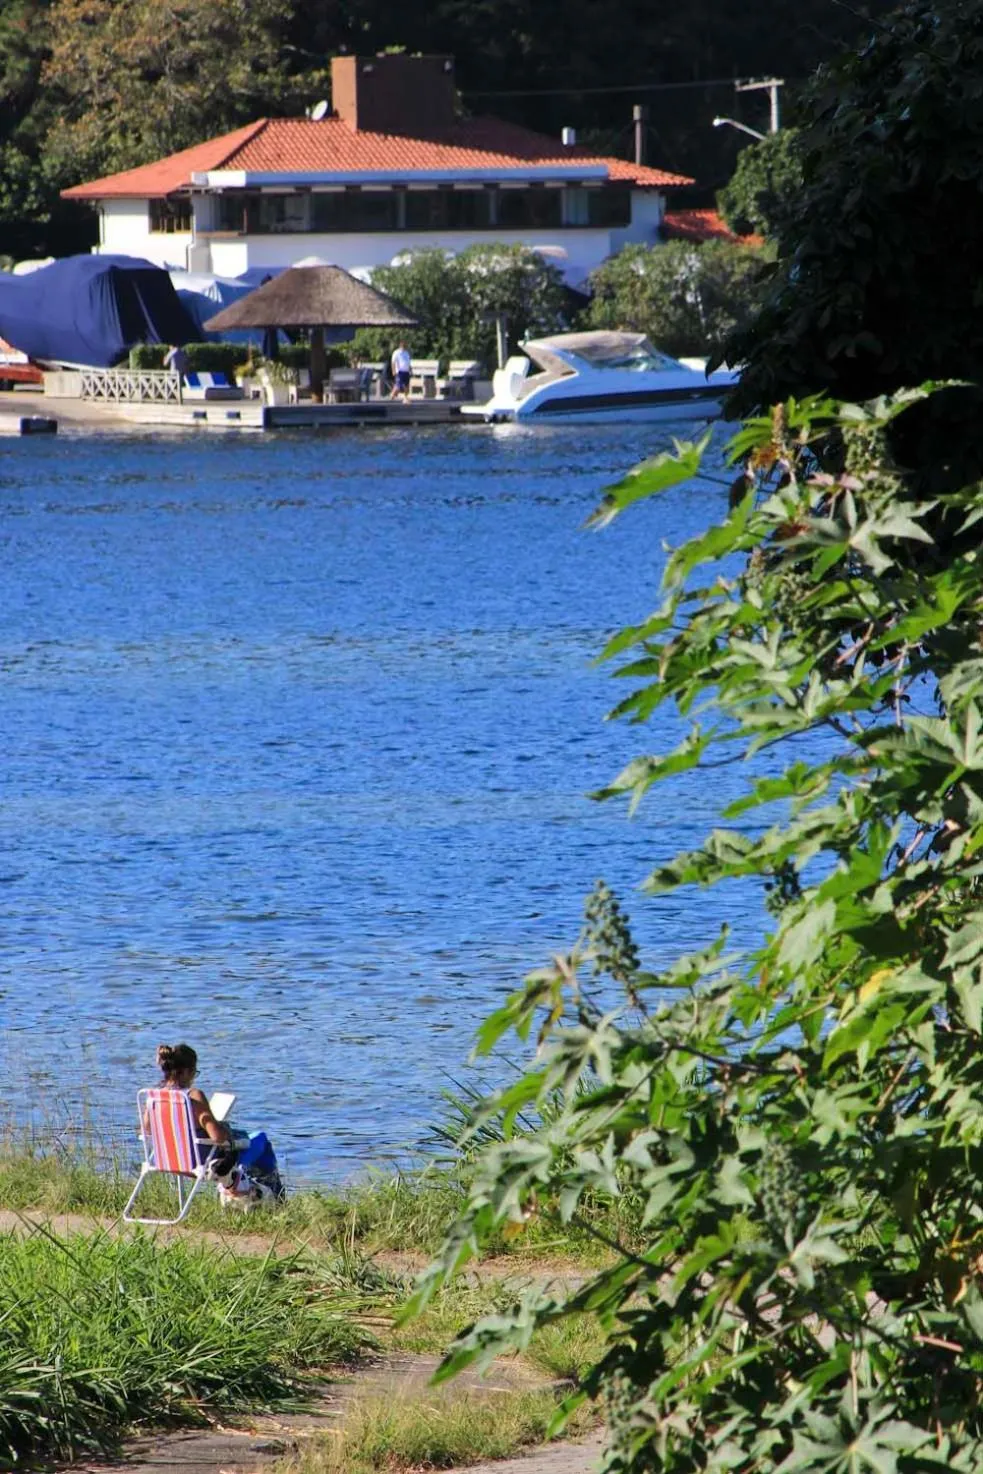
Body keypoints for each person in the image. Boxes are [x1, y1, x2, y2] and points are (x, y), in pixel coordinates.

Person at [153, 1042, 285, 1204]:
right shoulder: (193, 1096)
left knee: (248, 1141)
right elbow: (218, 1138)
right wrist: (222, 1127)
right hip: (202, 1163)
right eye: (195, 1073)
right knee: (261, 1139)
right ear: (187, 1072)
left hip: (167, 1160)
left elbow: (145, 1130)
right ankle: (274, 1198)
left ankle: (243, 1187)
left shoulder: (154, 1098)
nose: (194, 1078)